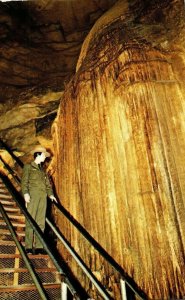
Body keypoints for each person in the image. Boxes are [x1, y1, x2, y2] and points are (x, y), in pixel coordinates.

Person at [21, 145, 57, 254]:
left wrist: (51, 195)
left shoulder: (43, 171)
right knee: (31, 220)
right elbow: (24, 182)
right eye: (43, 155)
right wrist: (26, 194)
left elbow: (47, 185)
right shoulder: (28, 167)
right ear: (38, 155)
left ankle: (39, 246)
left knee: (41, 222)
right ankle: (28, 246)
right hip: (33, 196)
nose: (45, 158)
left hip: (43, 197)